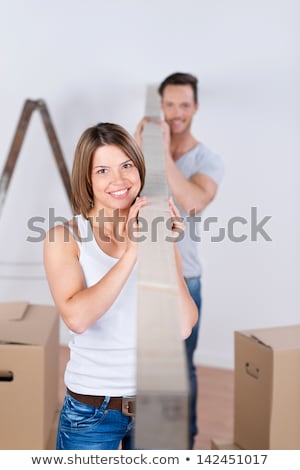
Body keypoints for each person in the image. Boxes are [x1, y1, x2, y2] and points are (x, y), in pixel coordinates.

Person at [43, 122, 198, 450]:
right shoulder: (66, 238)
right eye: (102, 170)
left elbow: (183, 326)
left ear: (139, 169)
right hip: (91, 412)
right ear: (87, 178)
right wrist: (132, 251)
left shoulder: (156, 231)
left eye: (127, 165)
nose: (119, 180)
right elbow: (78, 318)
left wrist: (166, 246)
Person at [135, 72, 224, 448]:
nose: (175, 112)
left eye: (183, 105)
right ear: (160, 105)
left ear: (195, 108)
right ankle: (139, 443)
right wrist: (140, 150)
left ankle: (182, 445)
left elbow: (192, 201)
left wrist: (162, 154)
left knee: (181, 368)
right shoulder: (140, 149)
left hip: (184, 279)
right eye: (169, 104)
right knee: (141, 369)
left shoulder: (208, 159)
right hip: (140, 277)